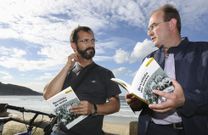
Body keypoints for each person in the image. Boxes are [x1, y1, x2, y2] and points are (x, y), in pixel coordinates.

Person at [126, 4, 208, 135]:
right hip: (150, 130)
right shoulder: (148, 60)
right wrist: (135, 103)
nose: (149, 33)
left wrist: (185, 101)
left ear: (171, 24)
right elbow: (144, 103)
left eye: (153, 26)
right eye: (148, 29)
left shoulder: (204, 52)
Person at [43, 26, 121, 135]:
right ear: (74, 45)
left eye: (92, 40)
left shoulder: (105, 73)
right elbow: (48, 95)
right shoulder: (67, 71)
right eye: (85, 41)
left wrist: (94, 108)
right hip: (59, 132)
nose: (90, 44)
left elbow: (116, 105)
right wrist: (66, 67)